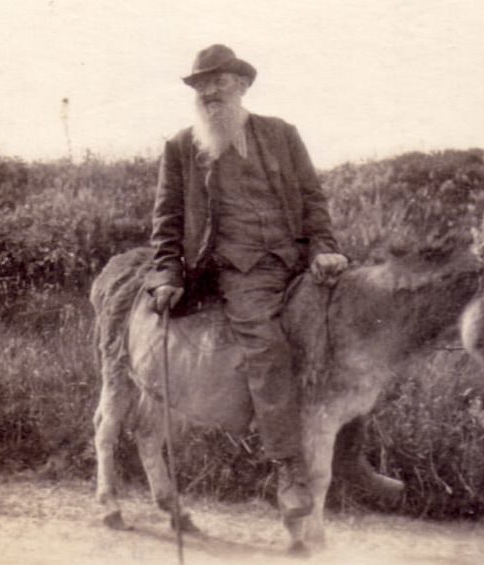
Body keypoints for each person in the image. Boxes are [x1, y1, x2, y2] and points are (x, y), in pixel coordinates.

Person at [143, 44, 348, 519]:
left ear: (242, 86)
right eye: (201, 85)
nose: (209, 92)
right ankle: (290, 471)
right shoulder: (181, 148)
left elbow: (313, 201)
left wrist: (324, 249)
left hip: (298, 263)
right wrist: (166, 274)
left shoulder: (281, 135)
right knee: (268, 347)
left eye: (219, 81)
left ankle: (353, 461)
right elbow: (167, 219)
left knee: (353, 338)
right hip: (239, 269)